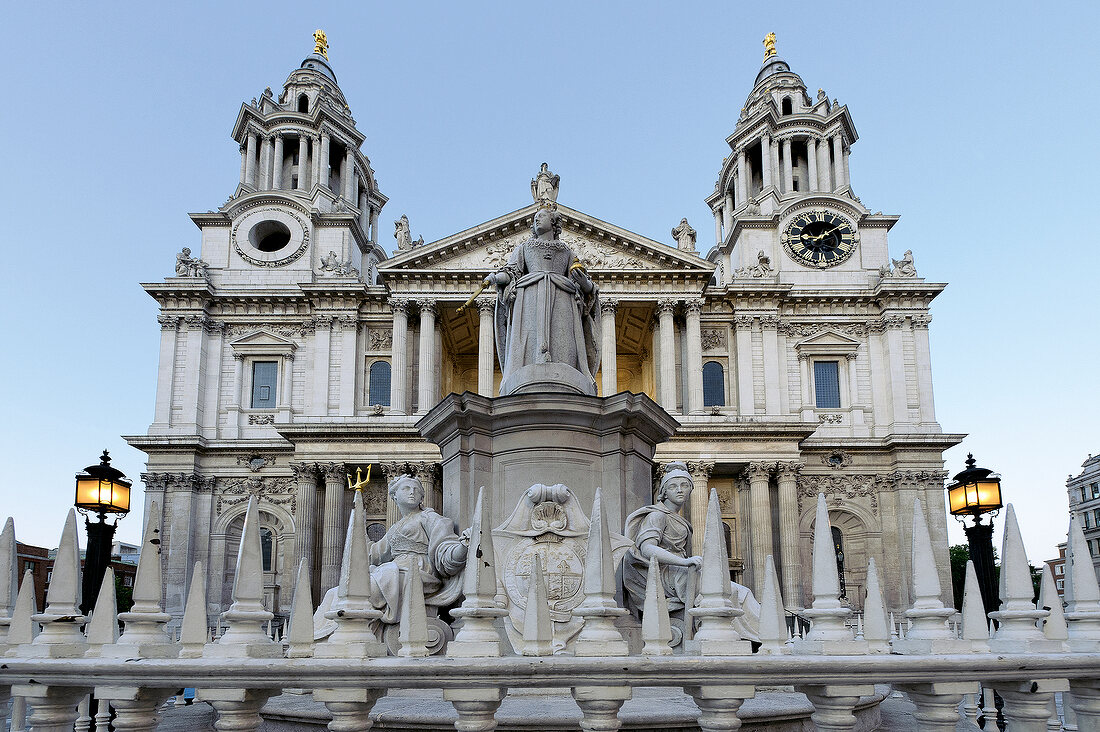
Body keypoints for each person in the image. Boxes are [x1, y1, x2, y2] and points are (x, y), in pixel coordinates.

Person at [622, 462, 760, 642]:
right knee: (731, 592)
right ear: (664, 492)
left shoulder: (677, 519)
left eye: (684, 485)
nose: (679, 490)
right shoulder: (657, 515)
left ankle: (759, 635)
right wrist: (685, 562)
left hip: (682, 570)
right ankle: (760, 636)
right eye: (673, 486)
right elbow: (647, 549)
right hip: (670, 572)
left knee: (739, 592)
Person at [484, 206, 600, 395]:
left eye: (541, 216)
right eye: (535, 218)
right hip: (529, 297)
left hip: (563, 297)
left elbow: (583, 283)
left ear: (554, 223)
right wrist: (496, 278)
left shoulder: (567, 251)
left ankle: (565, 374)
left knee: (563, 339)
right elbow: (511, 272)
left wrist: (584, 284)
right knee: (530, 337)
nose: (536, 220)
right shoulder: (523, 248)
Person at [367, 475, 467, 624]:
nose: (412, 492)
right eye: (406, 489)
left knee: (367, 588)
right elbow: (374, 554)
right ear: (394, 496)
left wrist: (463, 547)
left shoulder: (429, 517)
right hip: (396, 570)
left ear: (422, 497)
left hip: (418, 571)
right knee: (341, 591)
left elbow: (445, 547)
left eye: (416, 490)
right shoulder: (395, 528)